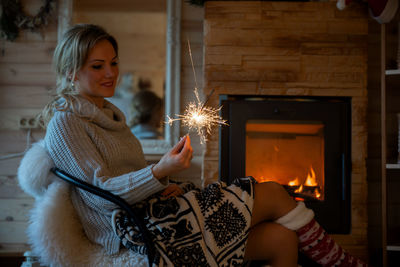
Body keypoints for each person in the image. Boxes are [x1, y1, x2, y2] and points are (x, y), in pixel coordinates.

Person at [39, 23, 368, 266]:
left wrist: (163, 182)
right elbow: (104, 194)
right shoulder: (66, 122)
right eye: (98, 66)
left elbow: (133, 176)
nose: (111, 72)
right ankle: (337, 262)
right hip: (132, 230)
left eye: (113, 62)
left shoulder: (110, 115)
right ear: (71, 72)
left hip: (152, 211)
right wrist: (158, 171)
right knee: (273, 193)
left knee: (281, 239)